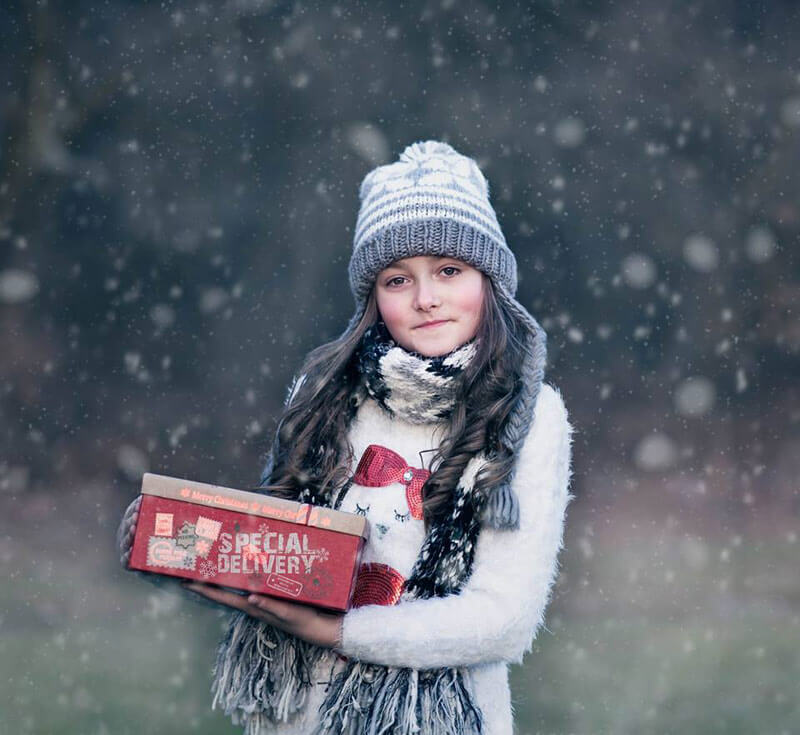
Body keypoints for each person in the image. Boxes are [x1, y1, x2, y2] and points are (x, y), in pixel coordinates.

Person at [117, 140, 575, 735]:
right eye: (397, 278)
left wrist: (339, 632)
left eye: (449, 270)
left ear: (490, 280)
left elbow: (503, 621)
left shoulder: (529, 415)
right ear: (372, 296)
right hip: (300, 717)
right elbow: (275, 567)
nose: (426, 298)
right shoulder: (324, 395)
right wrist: (173, 547)